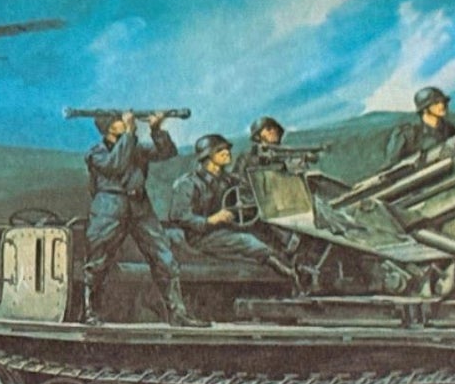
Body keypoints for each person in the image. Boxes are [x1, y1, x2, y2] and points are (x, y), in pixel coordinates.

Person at [82, 111, 204, 326]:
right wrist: (130, 132)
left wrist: (156, 129)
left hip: (139, 206)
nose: (125, 121)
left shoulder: (136, 147)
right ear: (108, 127)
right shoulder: (96, 153)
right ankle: (90, 311)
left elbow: (167, 152)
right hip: (109, 207)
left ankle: (177, 313)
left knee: (163, 257)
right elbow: (115, 165)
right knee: (98, 261)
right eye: (119, 120)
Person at [169, 134, 300, 286]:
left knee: (266, 226)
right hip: (202, 236)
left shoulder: (228, 180)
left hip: (228, 227)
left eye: (227, 149)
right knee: (246, 241)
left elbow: (249, 191)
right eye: (219, 150)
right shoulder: (187, 183)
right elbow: (178, 216)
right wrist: (210, 220)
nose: (227, 152)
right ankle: (288, 273)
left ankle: (293, 252)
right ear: (206, 156)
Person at [384, 86, 455, 168]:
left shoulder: (449, 129)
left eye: (443, 102)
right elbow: (391, 165)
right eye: (436, 103)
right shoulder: (407, 135)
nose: (442, 105)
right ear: (425, 109)